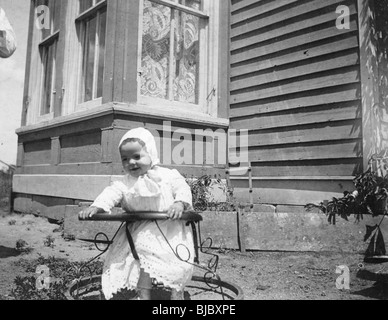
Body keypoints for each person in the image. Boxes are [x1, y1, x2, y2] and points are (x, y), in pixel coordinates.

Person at [79, 127, 194, 300]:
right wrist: (98, 206)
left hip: (170, 228)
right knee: (142, 260)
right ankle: (143, 293)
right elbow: (111, 193)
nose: (131, 162)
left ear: (151, 154)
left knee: (177, 263)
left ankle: (176, 292)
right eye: (125, 159)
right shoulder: (125, 183)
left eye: (137, 157)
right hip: (140, 229)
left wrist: (179, 203)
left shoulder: (167, 176)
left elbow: (182, 187)